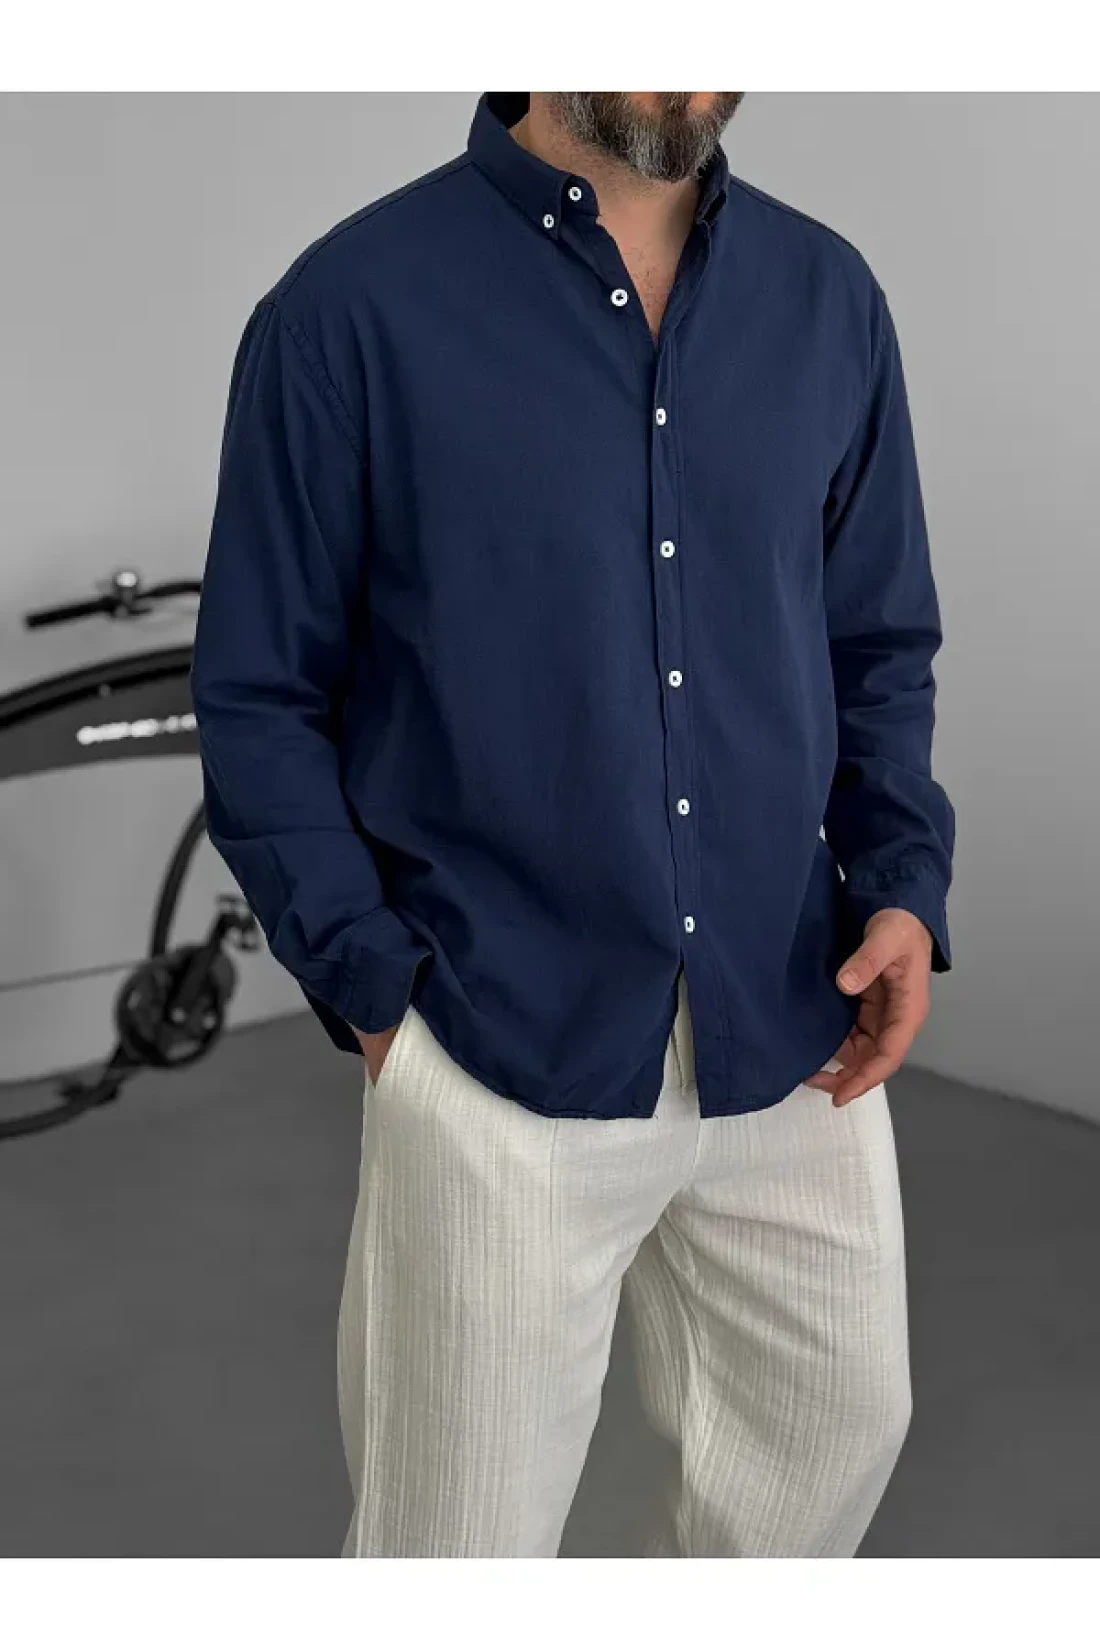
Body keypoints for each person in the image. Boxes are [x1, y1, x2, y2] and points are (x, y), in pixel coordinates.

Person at [191, 91, 955, 1558]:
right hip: (496, 1038)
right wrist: (375, 994)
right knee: (457, 1546)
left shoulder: (827, 298)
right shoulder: (349, 309)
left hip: (790, 1019)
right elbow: (258, 692)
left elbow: (875, 645)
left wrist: (902, 889)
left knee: (823, 1461)